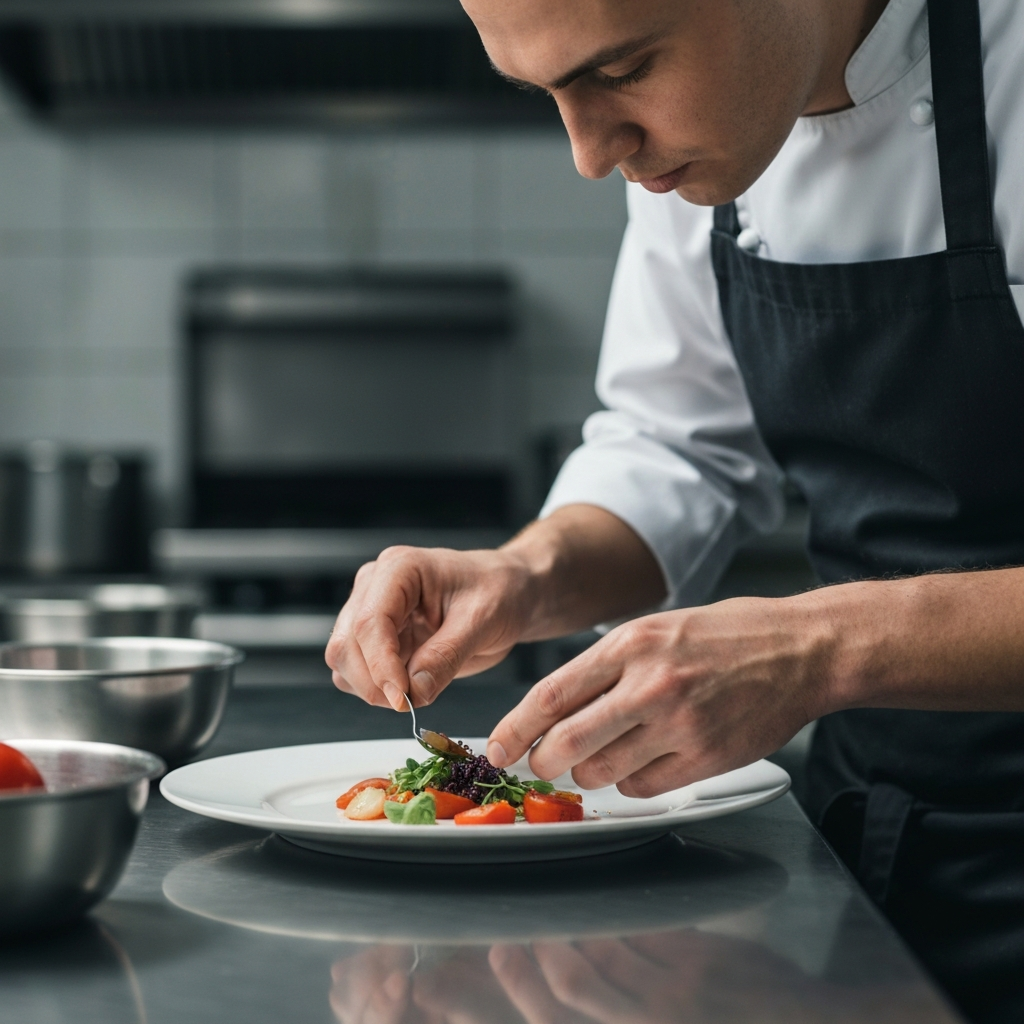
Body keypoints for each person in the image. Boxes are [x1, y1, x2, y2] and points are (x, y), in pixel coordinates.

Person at [325, 1, 1024, 1020]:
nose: (588, 152)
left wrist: (818, 647)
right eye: (547, 94)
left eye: (622, 70)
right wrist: (522, 575)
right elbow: (679, 447)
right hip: (886, 846)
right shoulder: (703, 143)